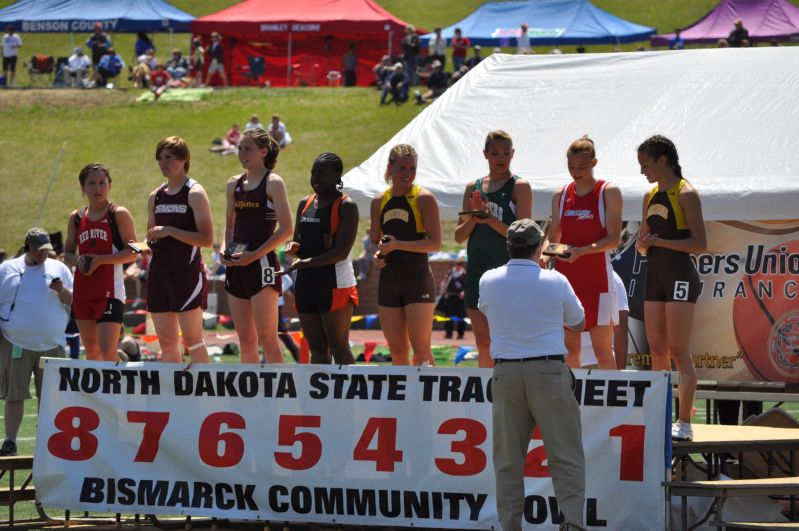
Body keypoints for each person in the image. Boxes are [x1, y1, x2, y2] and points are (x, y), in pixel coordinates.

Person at [478, 219, 585, 531]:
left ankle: (510, 525)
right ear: (540, 248)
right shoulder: (556, 280)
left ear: (509, 246)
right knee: (565, 456)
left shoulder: (489, 279)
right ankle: (574, 524)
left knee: (508, 462)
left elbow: (489, 309)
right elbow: (578, 322)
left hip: (506, 373)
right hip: (549, 372)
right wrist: (548, 273)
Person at [637, 135, 706, 441]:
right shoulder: (650, 195)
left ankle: (684, 422)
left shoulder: (686, 193)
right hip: (654, 276)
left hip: (679, 276)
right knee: (656, 350)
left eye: (646, 164)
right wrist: (642, 245)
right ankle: (658, 415)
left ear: (663, 160)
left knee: (678, 349)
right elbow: (642, 240)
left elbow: (700, 244)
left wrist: (659, 242)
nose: (643, 171)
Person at [454, 130, 532, 368]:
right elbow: (458, 236)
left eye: (506, 153)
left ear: (513, 154)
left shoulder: (519, 186)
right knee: (483, 341)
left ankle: (512, 387)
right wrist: (474, 219)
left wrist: (490, 220)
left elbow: (525, 235)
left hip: (510, 272)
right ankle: (488, 392)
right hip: (478, 272)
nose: (501, 158)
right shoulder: (473, 187)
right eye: (496, 153)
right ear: (485, 154)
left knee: (509, 339)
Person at [547, 136, 622, 370]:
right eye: (571, 167)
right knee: (571, 351)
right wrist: (547, 254)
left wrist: (582, 251)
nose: (576, 172)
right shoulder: (561, 194)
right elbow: (552, 241)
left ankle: (611, 405)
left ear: (594, 162)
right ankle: (571, 401)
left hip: (597, 282)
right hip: (568, 282)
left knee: (602, 351)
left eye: (582, 167)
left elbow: (614, 239)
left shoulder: (607, 191)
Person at [221, 128, 292, 364]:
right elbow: (230, 225)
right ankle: (249, 399)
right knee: (245, 339)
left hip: (262, 264)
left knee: (267, 338)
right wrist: (225, 249)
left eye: (247, 149)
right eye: (239, 148)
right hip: (237, 264)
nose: (241, 153)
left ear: (262, 151)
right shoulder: (233, 184)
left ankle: (279, 397)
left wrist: (254, 255)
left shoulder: (273, 182)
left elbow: (286, 229)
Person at [0, 228, 73, 456]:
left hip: (52, 344)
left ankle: (47, 441)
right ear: (28, 247)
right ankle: (10, 440)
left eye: (47, 251)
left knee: (50, 397)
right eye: (40, 251)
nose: (44, 255)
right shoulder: (7, 269)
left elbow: (74, 300)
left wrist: (62, 291)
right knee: (14, 394)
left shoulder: (59, 268)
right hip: (16, 343)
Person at [283, 152, 359, 365]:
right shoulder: (304, 203)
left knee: (338, 346)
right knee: (316, 347)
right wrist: (293, 247)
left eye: (322, 174)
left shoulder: (346, 205)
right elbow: (299, 242)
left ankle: (351, 397)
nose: (315, 179)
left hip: (335, 283)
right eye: (313, 173)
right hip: (306, 283)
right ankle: (321, 398)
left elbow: (341, 253)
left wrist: (305, 262)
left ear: (337, 175)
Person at [370, 144, 441, 366]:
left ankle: (430, 400)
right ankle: (404, 400)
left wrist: (398, 244)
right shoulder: (379, 200)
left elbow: (435, 244)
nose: (408, 174)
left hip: (417, 279)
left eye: (412, 168)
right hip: (389, 281)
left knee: (421, 351)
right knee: (398, 352)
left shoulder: (424, 198)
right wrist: (376, 255)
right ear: (390, 167)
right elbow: (374, 241)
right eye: (402, 168)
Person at [146, 136, 213, 365]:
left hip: (186, 274)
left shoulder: (194, 192)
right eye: (160, 158)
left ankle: (205, 398)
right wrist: (144, 246)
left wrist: (170, 230)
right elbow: (153, 236)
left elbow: (207, 239)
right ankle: (172, 398)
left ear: (184, 160)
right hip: (159, 274)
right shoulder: (155, 196)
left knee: (193, 340)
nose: (163, 163)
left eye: (169, 157)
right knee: (167, 344)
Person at [64, 163, 137, 361]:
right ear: (83, 188)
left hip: (109, 292)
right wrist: (79, 260)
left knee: (107, 351)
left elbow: (134, 252)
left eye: (102, 183)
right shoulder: (77, 218)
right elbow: (67, 253)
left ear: (109, 186)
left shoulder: (118, 214)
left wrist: (100, 261)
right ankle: (98, 394)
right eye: (92, 184)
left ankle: (122, 390)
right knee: (91, 352)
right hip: (83, 291)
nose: (97, 188)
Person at [578, 270, 629, 369]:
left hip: (598, 364)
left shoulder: (613, 278)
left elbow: (620, 329)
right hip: (567, 363)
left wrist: (619, 375)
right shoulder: (562, 275)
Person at [437, 257, 466, 339]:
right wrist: (443, 289)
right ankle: (448, 333)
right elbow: (444, 283)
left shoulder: (464, 274)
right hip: (450, 297)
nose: (458, 266)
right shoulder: (450, 273)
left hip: (460, 299)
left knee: (461, 316)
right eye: (457, 264)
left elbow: (467, 286)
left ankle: (460, 334)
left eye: (460, 264)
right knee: (449, 316)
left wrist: (463, 292)